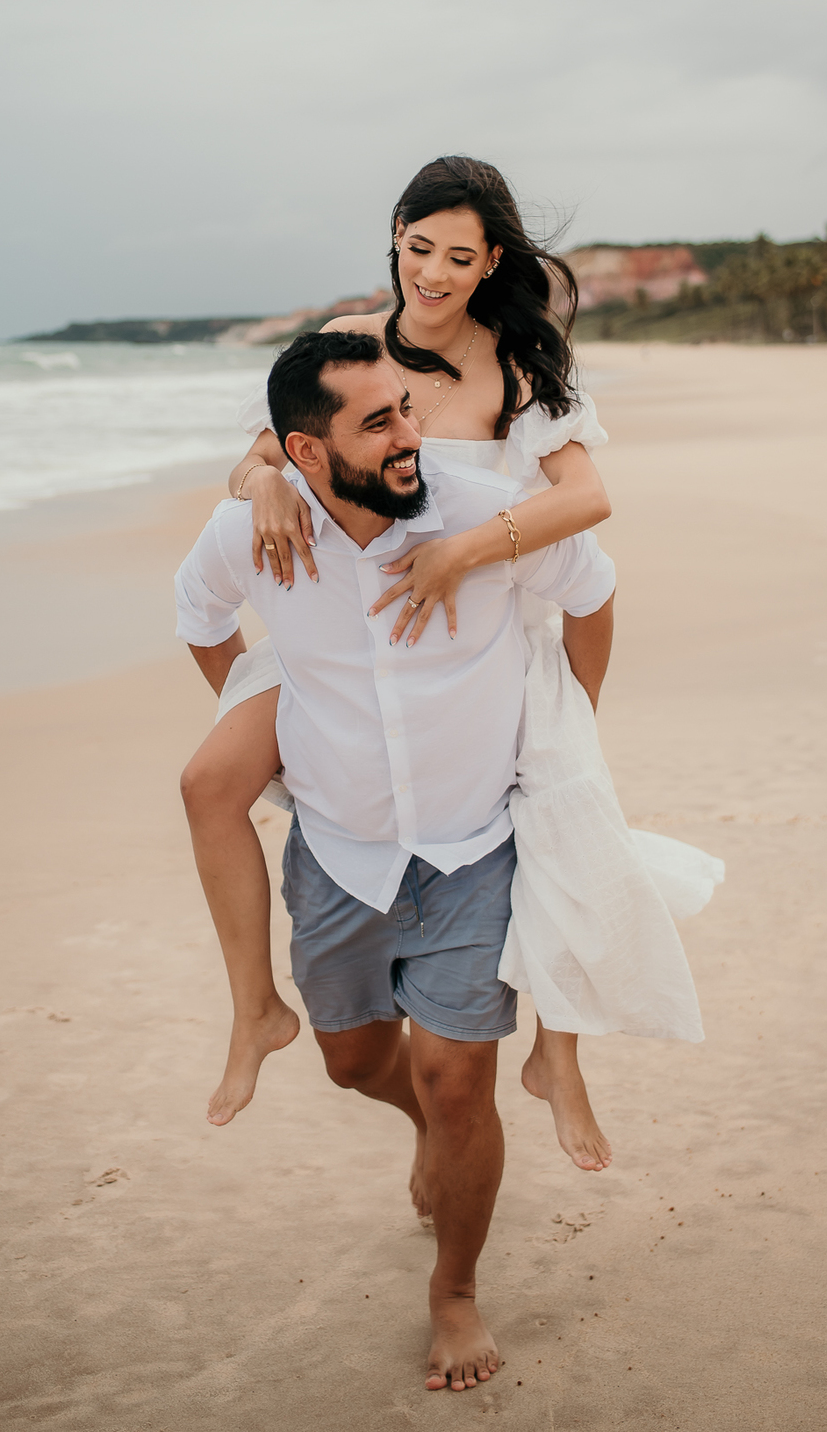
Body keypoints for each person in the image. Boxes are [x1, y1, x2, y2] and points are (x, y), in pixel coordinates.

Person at [182, 155, 721, 1163]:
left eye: (458, 256)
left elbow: (587, 501)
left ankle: (557, 1057)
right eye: (418, 246)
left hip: (485, 625)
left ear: (491, 263)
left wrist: (464, 552)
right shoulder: (351, 340)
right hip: (342, 632)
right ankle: (253, 1005)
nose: (431, 272)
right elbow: (274, 447)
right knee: (211, 775)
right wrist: (257, 481)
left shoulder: (515, 363)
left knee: (564, 807)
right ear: (395, 234)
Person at [174, 330, 619, 1391]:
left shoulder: (476, 516)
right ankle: (420, 1121)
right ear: (306, 453)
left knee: (460, 1083)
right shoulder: (255, 530)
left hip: (474, 851)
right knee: (355, 1063)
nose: (413, 436)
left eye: (409, 409)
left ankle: (455, 1291)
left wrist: (570, 729)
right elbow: (198, 619)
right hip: (340, 857)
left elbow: (593, 590)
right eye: (379, 423)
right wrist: (272, 717)